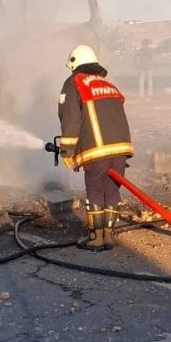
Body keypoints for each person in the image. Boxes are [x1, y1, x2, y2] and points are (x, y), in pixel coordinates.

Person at [58, 44, 134, 251]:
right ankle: (109, 235)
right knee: (112, 189)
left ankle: (96, 237)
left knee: (95, 188)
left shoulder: (75, 82)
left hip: (97, 149)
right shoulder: (107, 84)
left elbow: (71, 118)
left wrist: (67, 150)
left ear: (74, 63)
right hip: (120, 147)